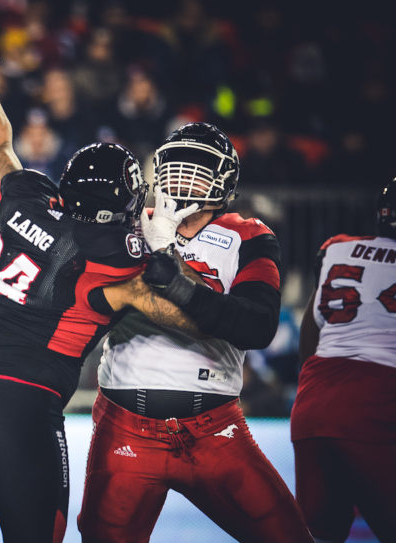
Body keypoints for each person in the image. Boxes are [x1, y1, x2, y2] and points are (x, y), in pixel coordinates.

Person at [0, 13, 203, 543]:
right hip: (24, 409)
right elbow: (193, 319)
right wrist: (167, 255)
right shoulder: (120, 260)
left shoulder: (28, 198)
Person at [77, 122, 315, 542]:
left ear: (223, 180)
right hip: (125, 423)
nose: (184, 175)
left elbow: (258, 325)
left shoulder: (249, 235)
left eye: (199, 166)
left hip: (214, 430)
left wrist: (174, 269)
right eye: (176, 164)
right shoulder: (130, 224)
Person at [290, 178, 396, 542]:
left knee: (319, 535)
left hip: (315, 397)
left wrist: (311, 385)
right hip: (378, 399)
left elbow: (311, 330)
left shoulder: (338, 249)